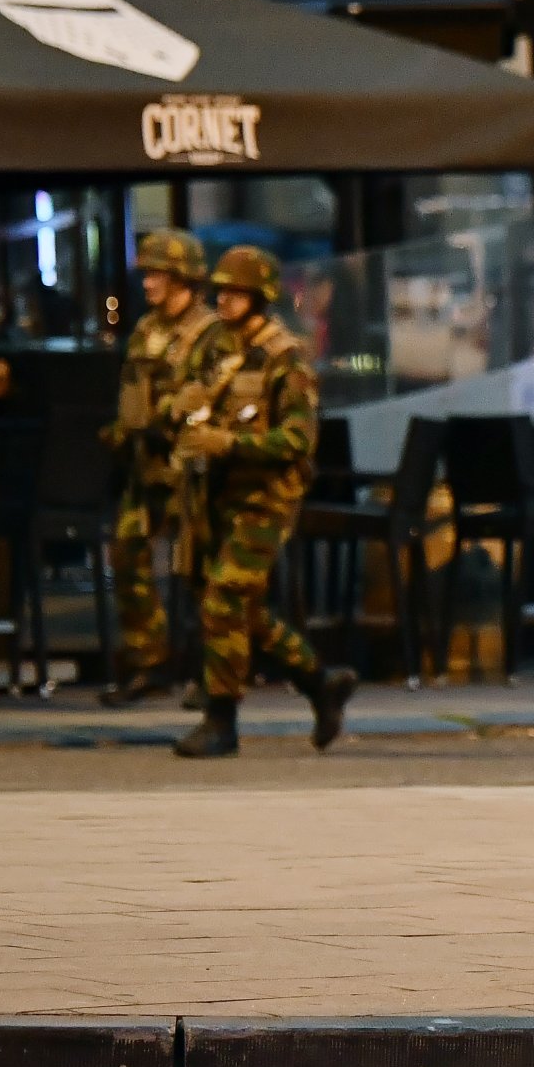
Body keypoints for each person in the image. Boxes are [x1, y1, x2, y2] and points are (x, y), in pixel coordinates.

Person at [169, 245, 355, 759]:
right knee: (240, 610)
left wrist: (231, 444)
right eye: (221, 291)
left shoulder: (285, 359)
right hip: (218, 496)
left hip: (265, 501)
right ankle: (321, 683)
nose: (224, 300)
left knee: (223, 599)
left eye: (235, 292)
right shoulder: (219, 351)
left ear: (260, 297)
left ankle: (221, 720)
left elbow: (297, 442)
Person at [98, 229, 242, 707]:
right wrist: (123, 429)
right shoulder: (147, 330)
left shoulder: (212, 334)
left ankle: (210, 674)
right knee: (127, 552)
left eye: (156, 273)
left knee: (200, 572)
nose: (148, 282)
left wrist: (174, 415)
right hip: (148, 468)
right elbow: (130, 387)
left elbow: (216, 391)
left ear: (182, 277)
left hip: (191, 469)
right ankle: (149, 661)